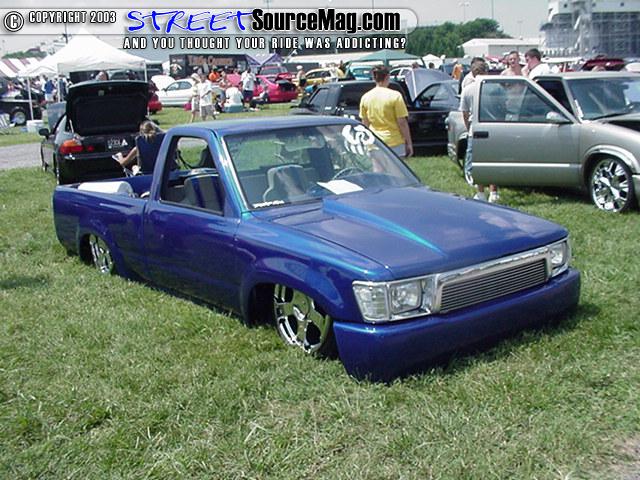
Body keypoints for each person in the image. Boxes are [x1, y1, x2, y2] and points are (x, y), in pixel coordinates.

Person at [459, 58, 499, 203]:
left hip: (475, 130)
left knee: (477, 162)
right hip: (493, 128)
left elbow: (465, 113)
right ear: (486, 72)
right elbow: (502, 108)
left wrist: (468, 127)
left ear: (473, 73)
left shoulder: (467, 90)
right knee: (493, 161)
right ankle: (493, 192)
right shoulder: (495, 88)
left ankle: (481, 192)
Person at [359, 65, 413, 158]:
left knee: (378, 167)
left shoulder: (365, 97)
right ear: (387, 77)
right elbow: (402, 122)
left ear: (374, 78)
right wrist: (409, 143)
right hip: (394, 142)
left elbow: (365, 123)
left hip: (375, 142)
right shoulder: (395, 96)